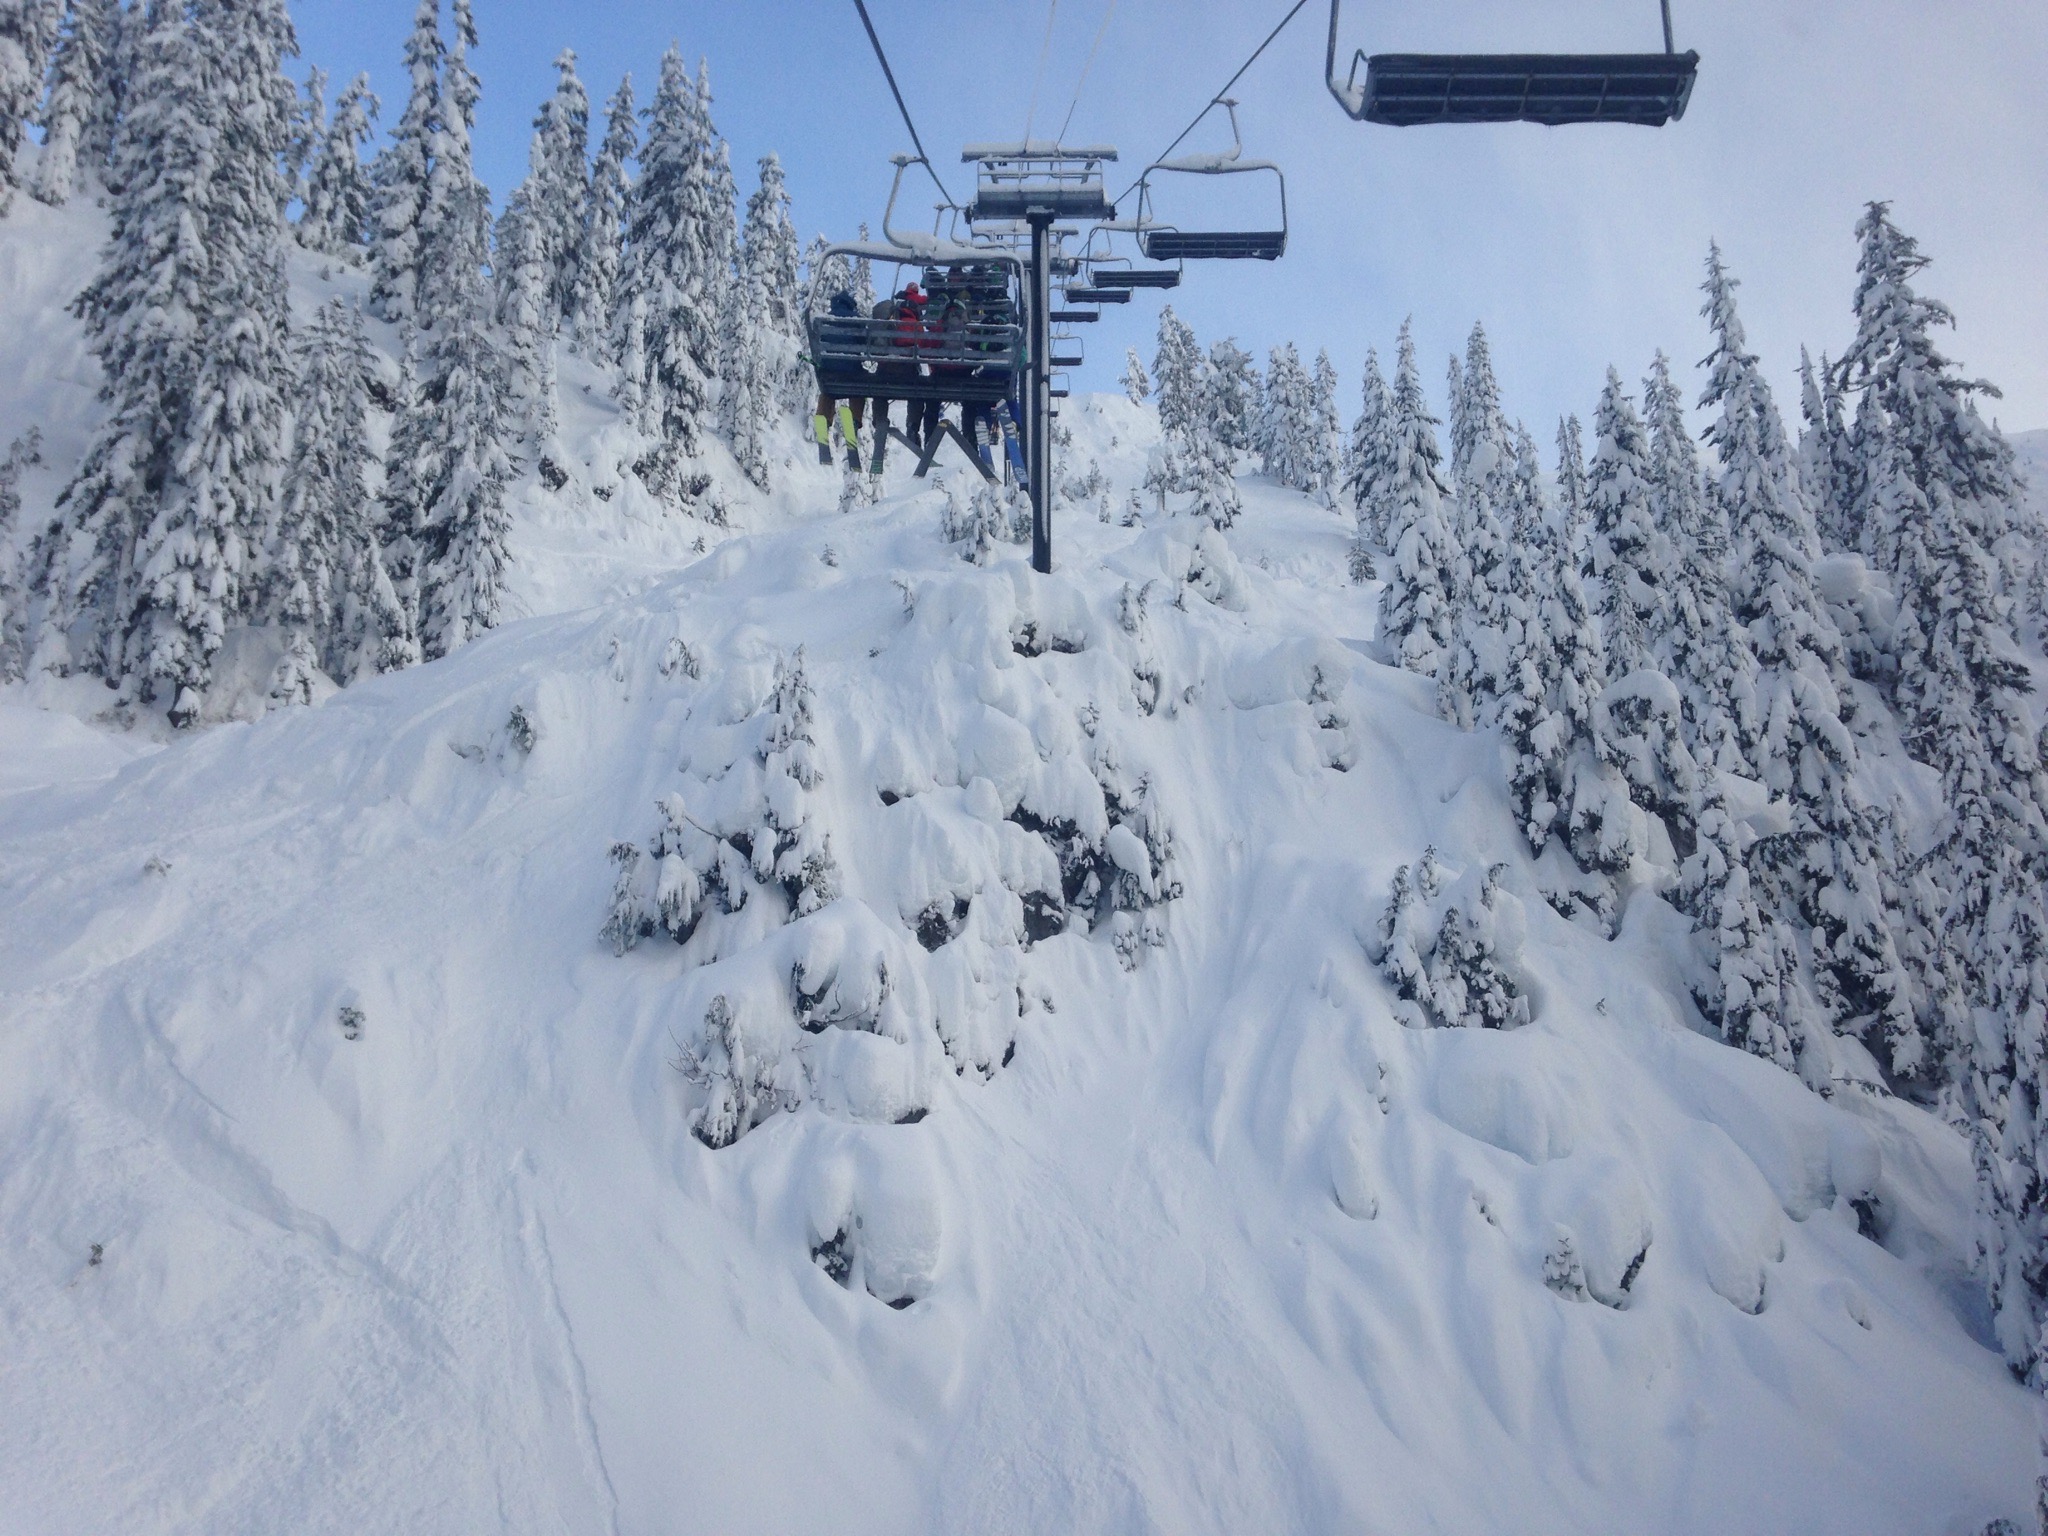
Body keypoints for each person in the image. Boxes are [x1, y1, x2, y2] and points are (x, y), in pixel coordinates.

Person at [869, 282, 926, 470]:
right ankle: (913, 425)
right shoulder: (917, 327)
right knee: (917, 395)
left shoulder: (891, 324)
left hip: (886, 372)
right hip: (908, 373)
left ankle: (880, 421)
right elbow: (926, 348)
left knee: (879, 392)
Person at [812, 291, 867, 471]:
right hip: (851, 371)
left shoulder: (826, 318)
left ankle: (823, 421)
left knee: (827, 392)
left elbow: (818, 341)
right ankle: (853, 420)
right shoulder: (856, 318)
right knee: (859, 391)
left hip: (830, 372)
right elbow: (864, 343)